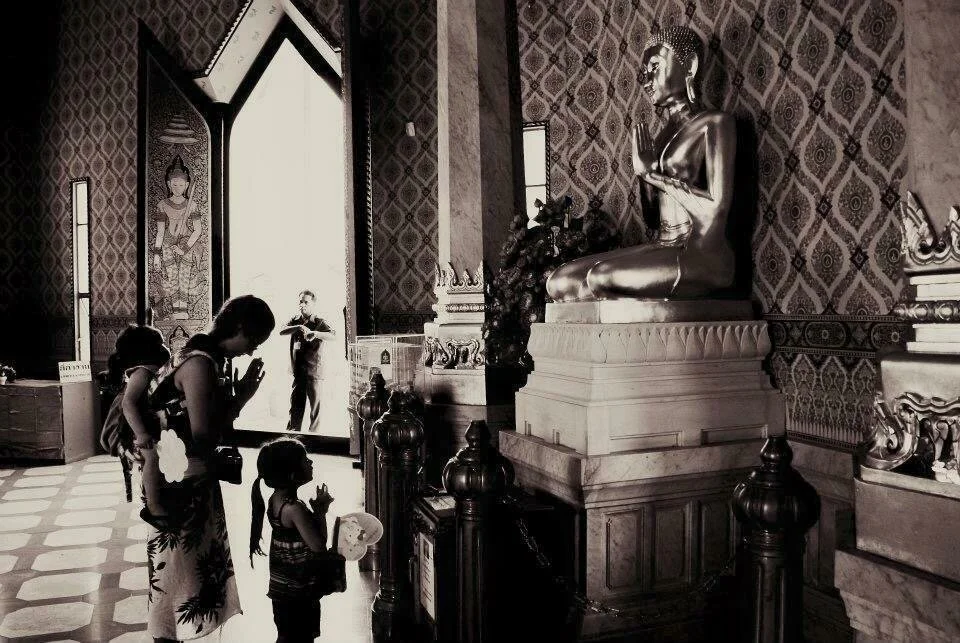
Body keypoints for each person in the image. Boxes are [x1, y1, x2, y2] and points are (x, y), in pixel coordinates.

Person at [546, 26, 738, 301]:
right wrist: (645, 176)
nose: (646, 80)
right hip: (664, 245)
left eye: (655, 67)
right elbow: (652, 219)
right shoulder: (660, 136)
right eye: (645, 71)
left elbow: (715, 212)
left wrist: (652, 175)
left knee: (600, 278)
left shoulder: (715, 124)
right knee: (560, 281)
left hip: (704, 254)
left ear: (690, 66)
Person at [144, 294, 275, 643]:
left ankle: (171, 634)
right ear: (240, 327)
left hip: (182, 473)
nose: (252, 349)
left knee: (186, 566)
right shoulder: (200, 364)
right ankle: (166, 636)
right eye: (254, 339)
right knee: (176, 569)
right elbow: (203, 435)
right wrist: (241, 397)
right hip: (178, 479)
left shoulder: (202, 356)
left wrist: (238, 396)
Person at [249, 437, 336, 643]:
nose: (310, 462)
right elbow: (318, 545)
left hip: (282, 590)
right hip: (299, 592)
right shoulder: (294, 508)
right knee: (301, 637)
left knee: (286, 636)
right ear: (292, 473)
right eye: (305, 460)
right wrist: (321, 512)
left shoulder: (275, 500)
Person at [152, 155, 202, 321]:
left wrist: (184, 248)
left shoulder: (192, 205)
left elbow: (198, 230)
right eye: (174, 184)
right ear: (168, 184)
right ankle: (175, 310)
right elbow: (160, 231)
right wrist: (157, 254)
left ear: (187, 185)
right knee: (172, 277)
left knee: (184, 277)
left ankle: (184, 310)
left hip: (186, 243)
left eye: (181, 185)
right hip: (167, 244)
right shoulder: (162, 204)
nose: (178, 188)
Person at [279, 290, 335, 432]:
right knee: (296, 406)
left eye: (306, 302)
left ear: (313, 304)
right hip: (298, 372)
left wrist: (316, 333)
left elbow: (333, 335)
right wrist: (298, 327)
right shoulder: (295, 320)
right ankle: (293, 435)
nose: (302, 305)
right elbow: (282, 331)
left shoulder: (319, 321)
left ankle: (314, 436)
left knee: (315, 409)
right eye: (301, 301)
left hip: (314, 372)